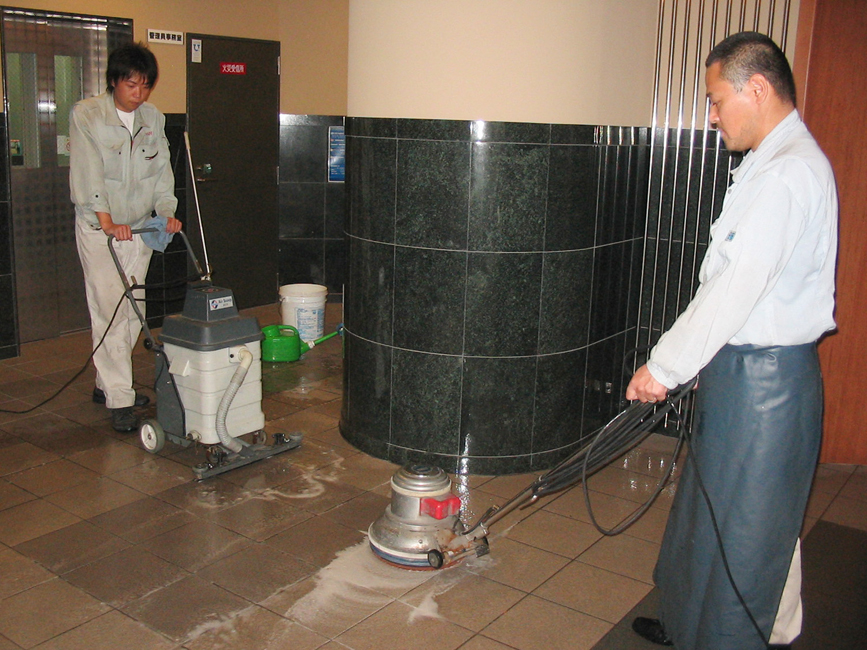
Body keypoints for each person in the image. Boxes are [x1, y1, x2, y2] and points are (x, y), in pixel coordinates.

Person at [626, 32, 837, 649]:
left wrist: (664, 366)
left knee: (750, 531)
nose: (712, 116)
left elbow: (735, 288)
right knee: (714, 513)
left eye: (717, 100)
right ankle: (688, 623)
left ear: (758, 88)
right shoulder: (772, 162)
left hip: (766, 387)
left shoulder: (787, 173)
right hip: (743, 373)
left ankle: (727, 637)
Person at [70, 43, 182, 432]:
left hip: (139, 228)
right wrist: (106, 221)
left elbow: (162, 172)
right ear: (114, 81)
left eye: (146, 85)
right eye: (132, 85)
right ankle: (120, 398)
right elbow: (87, 171)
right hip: (101, 229)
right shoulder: (88, 114)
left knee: (134, 308)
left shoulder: (153, 118)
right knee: (109, 310)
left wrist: (166, 212)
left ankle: (107, 384)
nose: (139, 94)